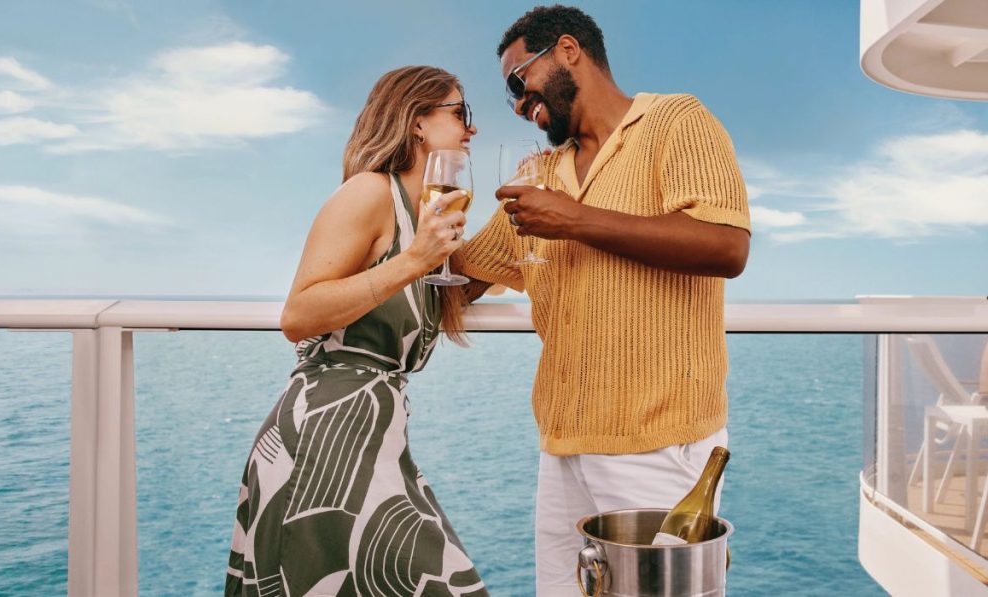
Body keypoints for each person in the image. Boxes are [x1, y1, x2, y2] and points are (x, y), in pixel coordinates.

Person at [456, 6, 751, 595]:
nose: (516, 105)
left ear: (568, 51)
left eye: (519, 82)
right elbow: (462, 274)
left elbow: (727, 246)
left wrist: (577, 220)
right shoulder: (539, 171)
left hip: (660, 442)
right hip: (562, 447)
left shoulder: (675, 121)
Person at [226, 65, 488, 597]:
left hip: (373, 438)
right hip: (325, 439)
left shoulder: (425, 219)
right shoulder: (369, 194)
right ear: (417, 122)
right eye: (461, 113)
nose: (472, 129)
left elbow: (453, 288)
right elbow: (298, 314)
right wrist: (415, 260)